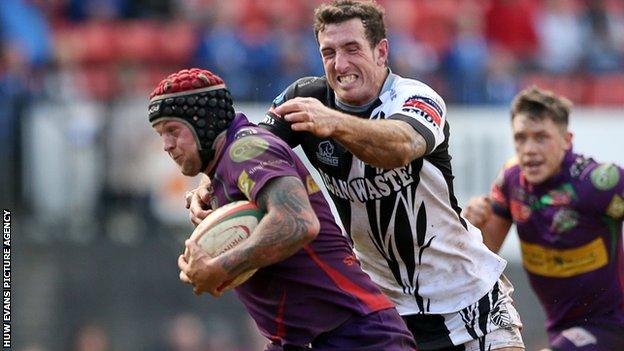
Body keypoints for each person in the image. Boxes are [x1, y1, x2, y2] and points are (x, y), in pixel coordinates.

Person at [187, 1, 525, 350]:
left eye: (352, 49)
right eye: (328, 52)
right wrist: (210, 183)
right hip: (386, 307)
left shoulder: (416, 98)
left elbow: (400, 147)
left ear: (381, 52)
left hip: (468, 296)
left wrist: (335, 123)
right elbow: (250, 148)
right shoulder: (308, 98)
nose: (340, 64)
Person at [148, 67, 417, 351]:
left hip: (356, 335)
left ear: (204, 122)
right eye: (161, 134)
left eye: (173, 131)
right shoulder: (222, 170)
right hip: (304, 340)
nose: (166, 145)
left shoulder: (247, 150)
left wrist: (219, 268)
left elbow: (298, 223)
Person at [463, 86, 624, 350]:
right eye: (521, 138)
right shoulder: (511, 180)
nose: (529, 149)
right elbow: (486, 254)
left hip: (610, 325)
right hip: (560, 329)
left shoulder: (597, 183)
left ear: (567, 139)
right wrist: (472, 226)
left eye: (541, 137)